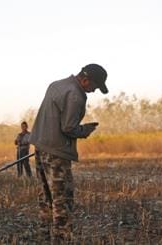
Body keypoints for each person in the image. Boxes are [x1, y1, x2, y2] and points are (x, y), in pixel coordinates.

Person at [29, 64, 108, 242]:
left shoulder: (56, 85)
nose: (93, 91)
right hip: (57, 153)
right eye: (94, 87)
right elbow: (69, 127)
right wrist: (85, 130)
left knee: (46, 197)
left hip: (40, 148)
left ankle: (45, 236)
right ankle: (61, 239)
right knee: (62, 200)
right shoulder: (75, 95)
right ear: (85, 80)